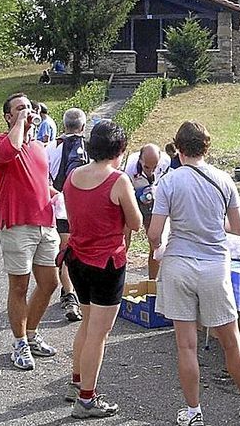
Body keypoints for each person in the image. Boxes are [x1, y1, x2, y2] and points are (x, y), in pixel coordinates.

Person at [148, 121, 240, 426]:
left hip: (179, 263)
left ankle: (193, 411)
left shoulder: (169, 182)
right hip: (214, 266)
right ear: (206, 148)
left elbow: (155, 232)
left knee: (186, 345)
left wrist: (159, 245)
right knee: (231, 342)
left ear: (178, 149)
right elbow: (237, 229)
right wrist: (210, 224)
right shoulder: (223, 180)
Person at [62, 120, 142, 419]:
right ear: (119, 149)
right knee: (99, 332)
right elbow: (135, 223)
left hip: (78, 259)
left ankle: (76, 382)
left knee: (87, 323)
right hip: (106, 262)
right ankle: (86, 399)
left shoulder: (73, 175)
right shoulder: (117, 180)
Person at [0, 92, 60, 371]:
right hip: (17, 224)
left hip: (45, 222)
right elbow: (11, 150)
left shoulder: (40, 147)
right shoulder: (0, 142)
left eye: (29, 107)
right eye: (20, 108)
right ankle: (19, 343)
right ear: (8, 116)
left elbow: (42, 183)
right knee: (19, 286)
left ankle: (31, 334)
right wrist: (20, 123)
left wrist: (61, 196)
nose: (27, 111)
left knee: (50, 282)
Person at [47, 107, 89, 323]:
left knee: (65, 249)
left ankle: (69, 293)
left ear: (63, 125)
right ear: (83, 126)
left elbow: (45, 178)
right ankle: (75, 294)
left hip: (60, 204)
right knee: (81, 249)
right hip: (84, 205)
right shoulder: (88, 148)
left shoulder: (51, 148)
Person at [123, 143, 171, 280]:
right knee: (124, 239)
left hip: (155, 200)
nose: (150, 171)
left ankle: (152, 283)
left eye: (154, 167)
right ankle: (119, 279)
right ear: (140, 160)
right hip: (133, 198)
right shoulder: (130, 166)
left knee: (156, 242)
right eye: (146, 167)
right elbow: (124, 192)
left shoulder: (166, 162)